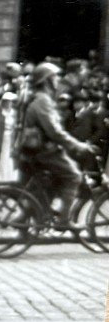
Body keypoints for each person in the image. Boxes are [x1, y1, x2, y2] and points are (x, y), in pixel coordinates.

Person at [18, 63, 98, 231]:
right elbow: (54, 131)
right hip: (45, 152)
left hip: (39, 151)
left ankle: (30, 215)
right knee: (74, 176)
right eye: (54, 77)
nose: (57, 80)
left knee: (54, 180)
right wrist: (77, 145)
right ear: (47, 81)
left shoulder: (40, 99)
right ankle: (64, 221)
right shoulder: (43, 101)